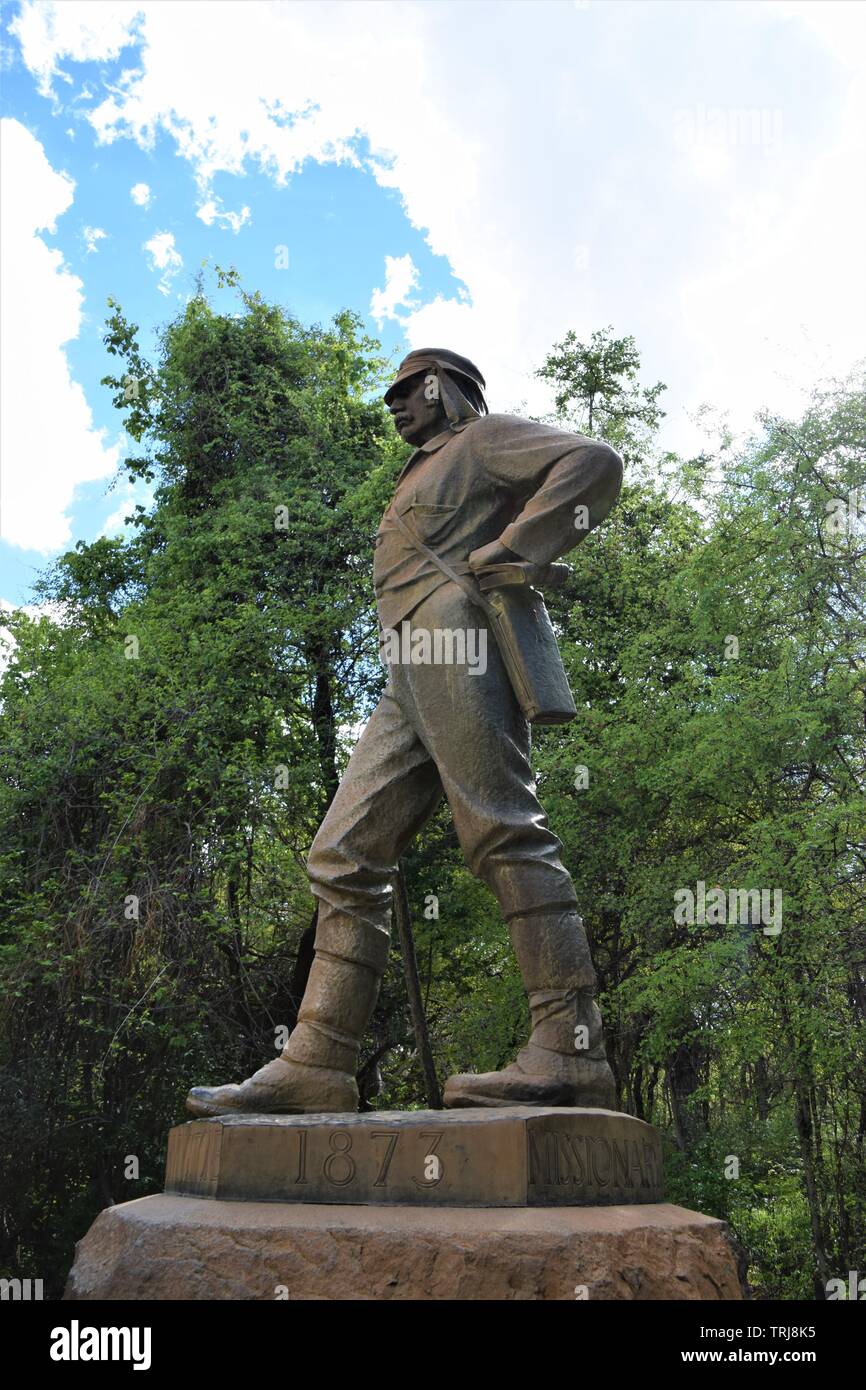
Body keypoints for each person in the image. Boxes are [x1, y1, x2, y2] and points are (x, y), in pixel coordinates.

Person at [186, 348, 623, 1116]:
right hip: (407, 668)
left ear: (442, 388)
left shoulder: (483, 439)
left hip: (456, 640)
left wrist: (514, 548)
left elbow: (594, 462)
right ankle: (319, 1062)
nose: (393, 405)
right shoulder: (415, 472)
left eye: (405, 391)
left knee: (503, 828)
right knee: (343, 854)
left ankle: (569, 1047)